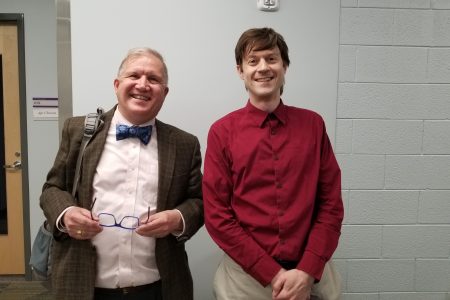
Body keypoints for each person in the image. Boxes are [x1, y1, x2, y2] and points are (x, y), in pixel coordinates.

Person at [40, 47, 203, 300]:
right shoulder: (78, 131)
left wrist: (177, 218)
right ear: (117, 85)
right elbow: (52, 189)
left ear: (165, 92)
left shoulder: (184, 144)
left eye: (154, 79)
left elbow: (198, 202)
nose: (143, 84)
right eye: (134, 76)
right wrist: (67, 213)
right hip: (84, 286)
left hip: (159, 286)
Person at [203, 27, 344, 300]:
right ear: (240, 71)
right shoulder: (222, 132)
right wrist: (273, 274)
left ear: (285, 66)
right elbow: (218, 216)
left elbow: (331, 205)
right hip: (245, 281)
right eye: (252, 61)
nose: (263, 68)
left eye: (272, 58)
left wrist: (306, 271)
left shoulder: (313, 125)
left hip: (311, 277)